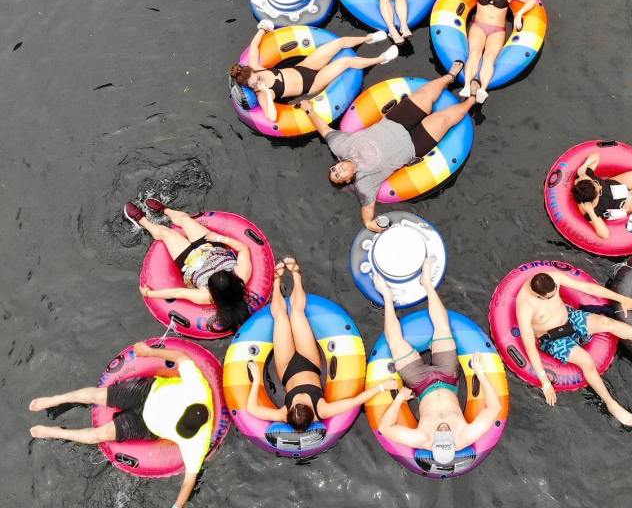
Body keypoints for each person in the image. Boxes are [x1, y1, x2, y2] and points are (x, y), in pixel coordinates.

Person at [30, 342, 214, 508]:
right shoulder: (197, 388)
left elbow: (189, 480)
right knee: (97, 396)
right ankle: (55, 399)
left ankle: (56, 432)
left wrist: (177, 505)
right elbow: (182, 357)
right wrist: (149, 351)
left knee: (97, 435)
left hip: (144, 425)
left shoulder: (198, 441)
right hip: (145, 392)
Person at [306, 61, 477, 232]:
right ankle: (472, 99)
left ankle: (449, 77)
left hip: (395, 121)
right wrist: (368, 223)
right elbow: (367, 209)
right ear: (348, 179)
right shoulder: (365, 184)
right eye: (339, 176)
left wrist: (309, 111)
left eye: (334, 170)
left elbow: (324, 130)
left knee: (424, 95)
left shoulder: (340, 147)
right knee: (443, 120)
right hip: (413, 144)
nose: (337, 170)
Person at [515, 271, 632, 427]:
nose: (554, 296)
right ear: (539, 295)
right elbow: (529, 346)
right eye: (550, 296)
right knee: (587, 362)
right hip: (552, 337)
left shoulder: (552, 277)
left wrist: (621, 299)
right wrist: (545, 382)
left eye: (556, 293)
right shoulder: (525, 306)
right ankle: (611, 405)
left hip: (569, 318)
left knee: (608, 323)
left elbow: (587, 288)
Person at [374, 257, 502, 465]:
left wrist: (399, 399)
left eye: (440, 433)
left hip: (420, 384)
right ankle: (427, 283)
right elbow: (494, 409)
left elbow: (385, 428)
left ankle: (387, 298)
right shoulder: (464, 436)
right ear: (452, 442)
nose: (444, 428)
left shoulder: (423, 439)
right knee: (443, 329)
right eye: (447, 433)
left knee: (395, 342)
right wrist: (480, 373)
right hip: (448, 377)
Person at [245, 257, 396, 429]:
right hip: (310, 363)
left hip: (286, 369)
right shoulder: (322, 410)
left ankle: (277, 282)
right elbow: (355, 400)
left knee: (281, 318)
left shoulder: (284, 414)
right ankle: (296, 275)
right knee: (296, 313)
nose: (300, 397)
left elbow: (251, 408)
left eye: (295, 403)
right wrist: (383, 387)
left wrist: (257, 379)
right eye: (302, 402)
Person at [123, 199, 253, 333]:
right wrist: (220, 239)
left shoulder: (205, 296)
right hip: (212, 247)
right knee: (186, 220)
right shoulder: (242, 274)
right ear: (233, 278)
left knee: (166, 233)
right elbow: (244, 249)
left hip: (190, 262)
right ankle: (165, 210)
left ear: (213, 290)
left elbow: (178, 292)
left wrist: (149, 293)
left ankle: (141, 220)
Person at [230, 21, 397, 122]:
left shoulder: (256, 67)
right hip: (312, 84)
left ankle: (369, 38)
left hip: (305, 67)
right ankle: (382, 59)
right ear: (251, 87)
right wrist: (266, 92)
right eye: (255, 83)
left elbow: (254, 47)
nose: (258, 81)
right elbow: (272, 117)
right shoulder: (262, 95)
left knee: (339, 42)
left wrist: (262, 29)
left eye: (257, 77)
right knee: (346, 62)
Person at [420, 0, 536, 101]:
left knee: (490, 57)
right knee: (474, 53)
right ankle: (467, 86)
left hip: (497, 31)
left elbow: (531, 0)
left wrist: (519, 14)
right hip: (479, 26)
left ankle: (482, 89)